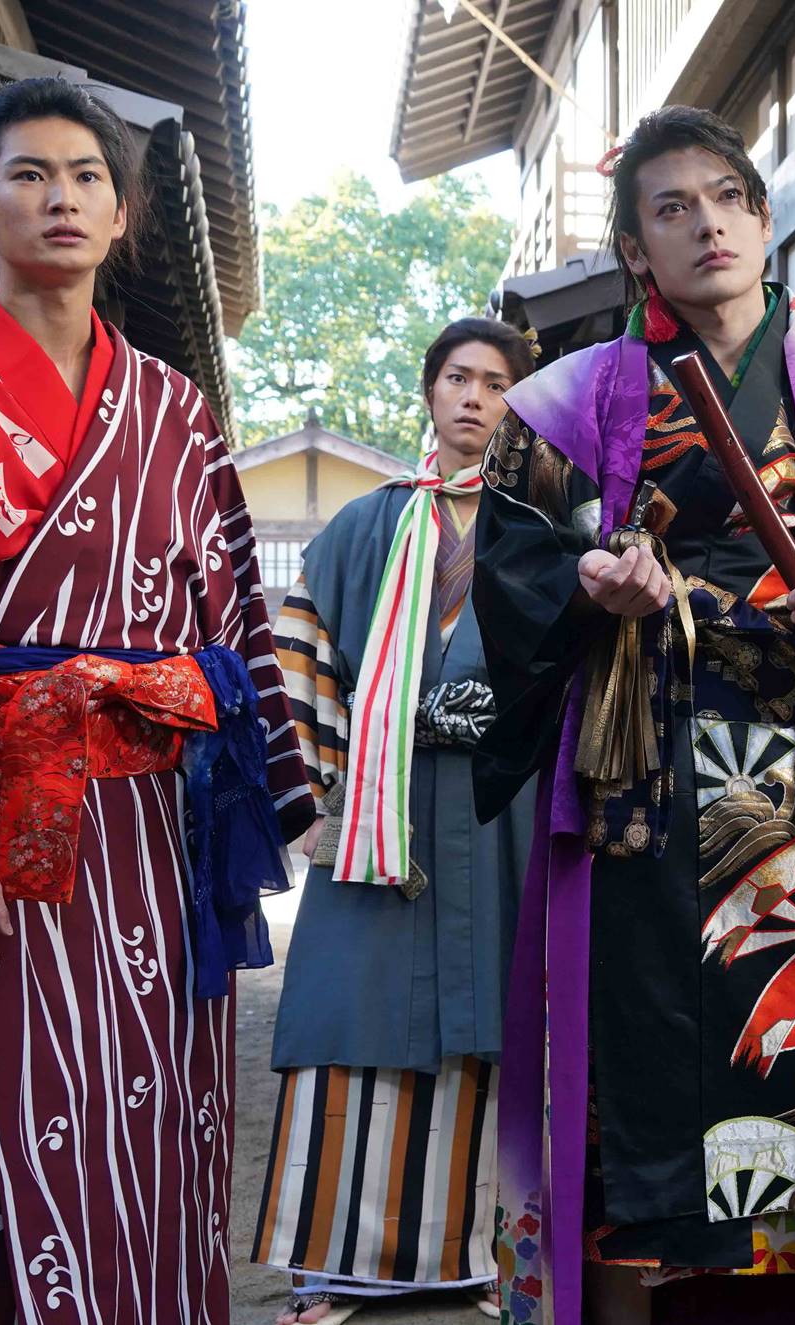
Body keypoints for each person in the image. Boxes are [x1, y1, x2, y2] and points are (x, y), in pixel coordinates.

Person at [471, 105, 795, 1325]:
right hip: (634, 783)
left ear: (760, 218)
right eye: (670, 207)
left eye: (726, 197)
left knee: (791, 1055)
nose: (705, 224)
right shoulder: (561, 402)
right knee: (628, 1067)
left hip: (790, 797)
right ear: (634, 250)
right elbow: (511, 567)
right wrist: (588, 579)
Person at [0, 77, 313, 1323]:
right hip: (1, 815)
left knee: (159, 1107)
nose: (62, 198)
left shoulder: (174, 409)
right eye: (29, 174)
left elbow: (230, 619)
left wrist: (249, 794)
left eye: (88, 176)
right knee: (3, 1106)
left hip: (154, 829)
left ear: (122, 213)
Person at [251, 317, 538, 1323]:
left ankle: (488, 1257)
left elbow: (575, 676)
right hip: (383, 810)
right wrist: (317, 804)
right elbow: (298, 657)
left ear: (517, 407)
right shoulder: (364, 528)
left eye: (495, 382)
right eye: (457, 376)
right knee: (351, 1012)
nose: (473, 396)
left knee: (501, 1014)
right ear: (429, 390)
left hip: (500, 810)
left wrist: (480, 712)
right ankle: (338, 1267)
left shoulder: (543, 533)